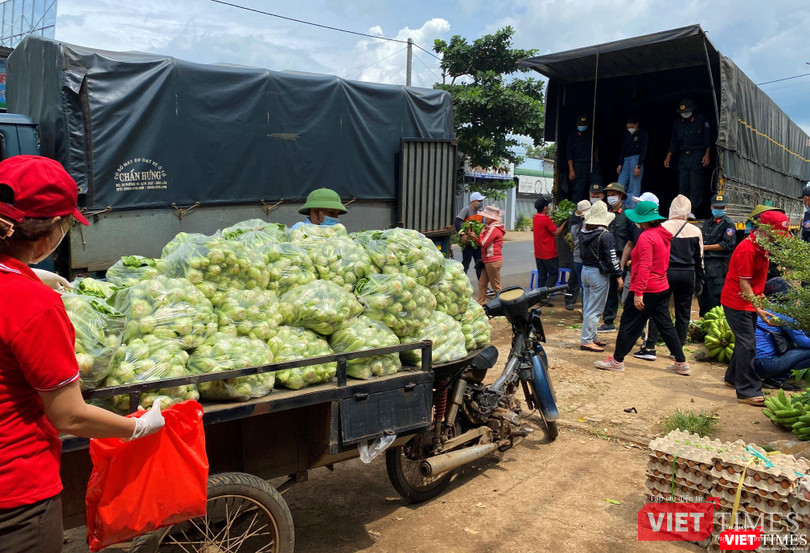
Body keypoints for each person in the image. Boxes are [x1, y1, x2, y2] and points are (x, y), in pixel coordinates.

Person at [0, 156, 164, 552]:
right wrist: (138, 428)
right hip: (14, 496)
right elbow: (69, 414)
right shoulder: (32, 305)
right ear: (49, 235)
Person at [594, 201, 690, 375]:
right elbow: (657, 260)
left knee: (628, 324)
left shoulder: (646, 237)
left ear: (644, 220)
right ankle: (681, 362)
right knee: (666, 325)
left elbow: (646, 266)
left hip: (646, 288)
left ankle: (617, 361)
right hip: (661, 286)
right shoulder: (663, 234)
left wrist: (639, 293)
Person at [721, 209, 789, 405]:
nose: (778, 239)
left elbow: (756, 281)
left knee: (745, 342)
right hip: (737, 302)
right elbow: (744, 283)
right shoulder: (747, 249)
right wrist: (758, 307)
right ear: (764, 230)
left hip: (749, 301)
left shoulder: (762, 246)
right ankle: (747, 390)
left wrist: (761, 303)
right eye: (776, 234)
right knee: (748, 344)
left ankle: (732, 378)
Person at [635, 195, 704, 361]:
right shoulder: (696, 230)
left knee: (657, 310)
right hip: (687, 275)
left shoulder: (663, 227)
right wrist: (700, 280)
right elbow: (699, 259)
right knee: (683, 313)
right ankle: (676, 350)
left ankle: (650, 346)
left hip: (666, 273)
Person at [579, 202, 622, 352]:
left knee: (588, 306)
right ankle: (586, 340)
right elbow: (612, 258)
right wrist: (618, 276)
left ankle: (592, 336)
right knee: (595, 309)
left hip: (585, 271)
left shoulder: (583, 231)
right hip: (598, 274)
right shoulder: (605, 235)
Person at [753, 278, 810, 391]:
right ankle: (778, 379)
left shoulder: (763, 309)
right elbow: (802, 341)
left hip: (751, 363)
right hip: (766, 364)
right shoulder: (783, 313)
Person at [664, 98, 712, 212]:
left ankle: (693, 210)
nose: (684, 114)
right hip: (683, 156)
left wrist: (707, 154)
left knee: (695, 184)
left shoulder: (701, 120)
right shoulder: (678, 123)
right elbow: (674, 140)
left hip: (697, 154)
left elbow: (707, 139)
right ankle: (683, 210)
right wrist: (669, 155)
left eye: (686, 111)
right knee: (683, 184)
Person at [599, 182, 632, 332]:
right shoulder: (605, 214)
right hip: (608, 258)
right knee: (610, 290)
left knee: (626, 291)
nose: (610, 197)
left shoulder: (627, 215)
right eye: (608, 194)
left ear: (621, 196)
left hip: (622, 258)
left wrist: (626, 262)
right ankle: (609, 321)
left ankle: (631, 322)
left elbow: (632, 241)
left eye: (614, 194)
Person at [699, 193, 737, 316]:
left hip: (717, 266)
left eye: (721, 208)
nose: (718, 210)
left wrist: (704, 248)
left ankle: (714, 324)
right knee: (703, 297)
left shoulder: (728, 224)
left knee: (715, 298)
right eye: (716, 208)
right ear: (711, 207)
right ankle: (704, 321)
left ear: (726, 208)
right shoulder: (708, 222)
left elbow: (726, 245)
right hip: (705, 264)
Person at [532, 196, 567, 305]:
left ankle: (540, 296)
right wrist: (565, 223)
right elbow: (556, 232)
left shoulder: (536, 217)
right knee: (553, 274)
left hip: (539, 252)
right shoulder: (545, 219)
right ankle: (545, 295)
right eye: (547, 206)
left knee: (542, 275)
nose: (549, 207)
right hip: (549, 252)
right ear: (545, 208)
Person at [566, 114, 602, 202]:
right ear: (577, 124)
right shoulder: (572, 136)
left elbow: (596, 145)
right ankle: (576, 210)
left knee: (596, 186)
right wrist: (571, 170)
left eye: (584, 125)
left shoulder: (591, 134)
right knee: (578, 189)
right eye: (580, 124)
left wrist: (596, 156)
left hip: (591, 163)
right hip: (578, 165)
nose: (582, 126)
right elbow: (569, 153)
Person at [564, 199, 592, 311]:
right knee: (587, 287)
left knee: (581, 284)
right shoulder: (590, 226)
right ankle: (587, 310)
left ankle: (584, 309)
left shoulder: (574, 227)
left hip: (577, 259)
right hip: (586, 260)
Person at [616, 116, 648, 208]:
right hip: (626, 160)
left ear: (637, 124)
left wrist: (638, 165)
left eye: (632, 127)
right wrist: (620, 163)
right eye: (628, 127)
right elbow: (623, 149)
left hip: (636, 159)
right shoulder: (626, 134)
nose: (630, 129)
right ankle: (619, 206)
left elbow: (643, 150)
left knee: (634, 187)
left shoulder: (642, 134)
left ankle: (630, 208)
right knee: (620, 184)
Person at [477, 205, 505, 304]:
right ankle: (481, 304)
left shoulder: (493, 229)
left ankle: (503, 306)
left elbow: (484, 243)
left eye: (486, 216)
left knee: (496, 286)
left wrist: (480, 234)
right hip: (490, 261)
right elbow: (483, 242)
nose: (485, 217)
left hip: (492, 261)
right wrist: (475, 237)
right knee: (482, 284)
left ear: (490, 217)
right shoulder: (492, 228)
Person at [455, 192, 486, 277]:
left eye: (481, 201)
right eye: (479, 200)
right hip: (468, 243)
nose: (481, 202)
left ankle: (482, 286)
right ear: (473, 201)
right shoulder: (466, 210)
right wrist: (462, 234)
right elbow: (457, 222)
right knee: (466, 264)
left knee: (479, 264)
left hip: (477, 243)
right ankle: (463, 284)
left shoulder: (480, 212)